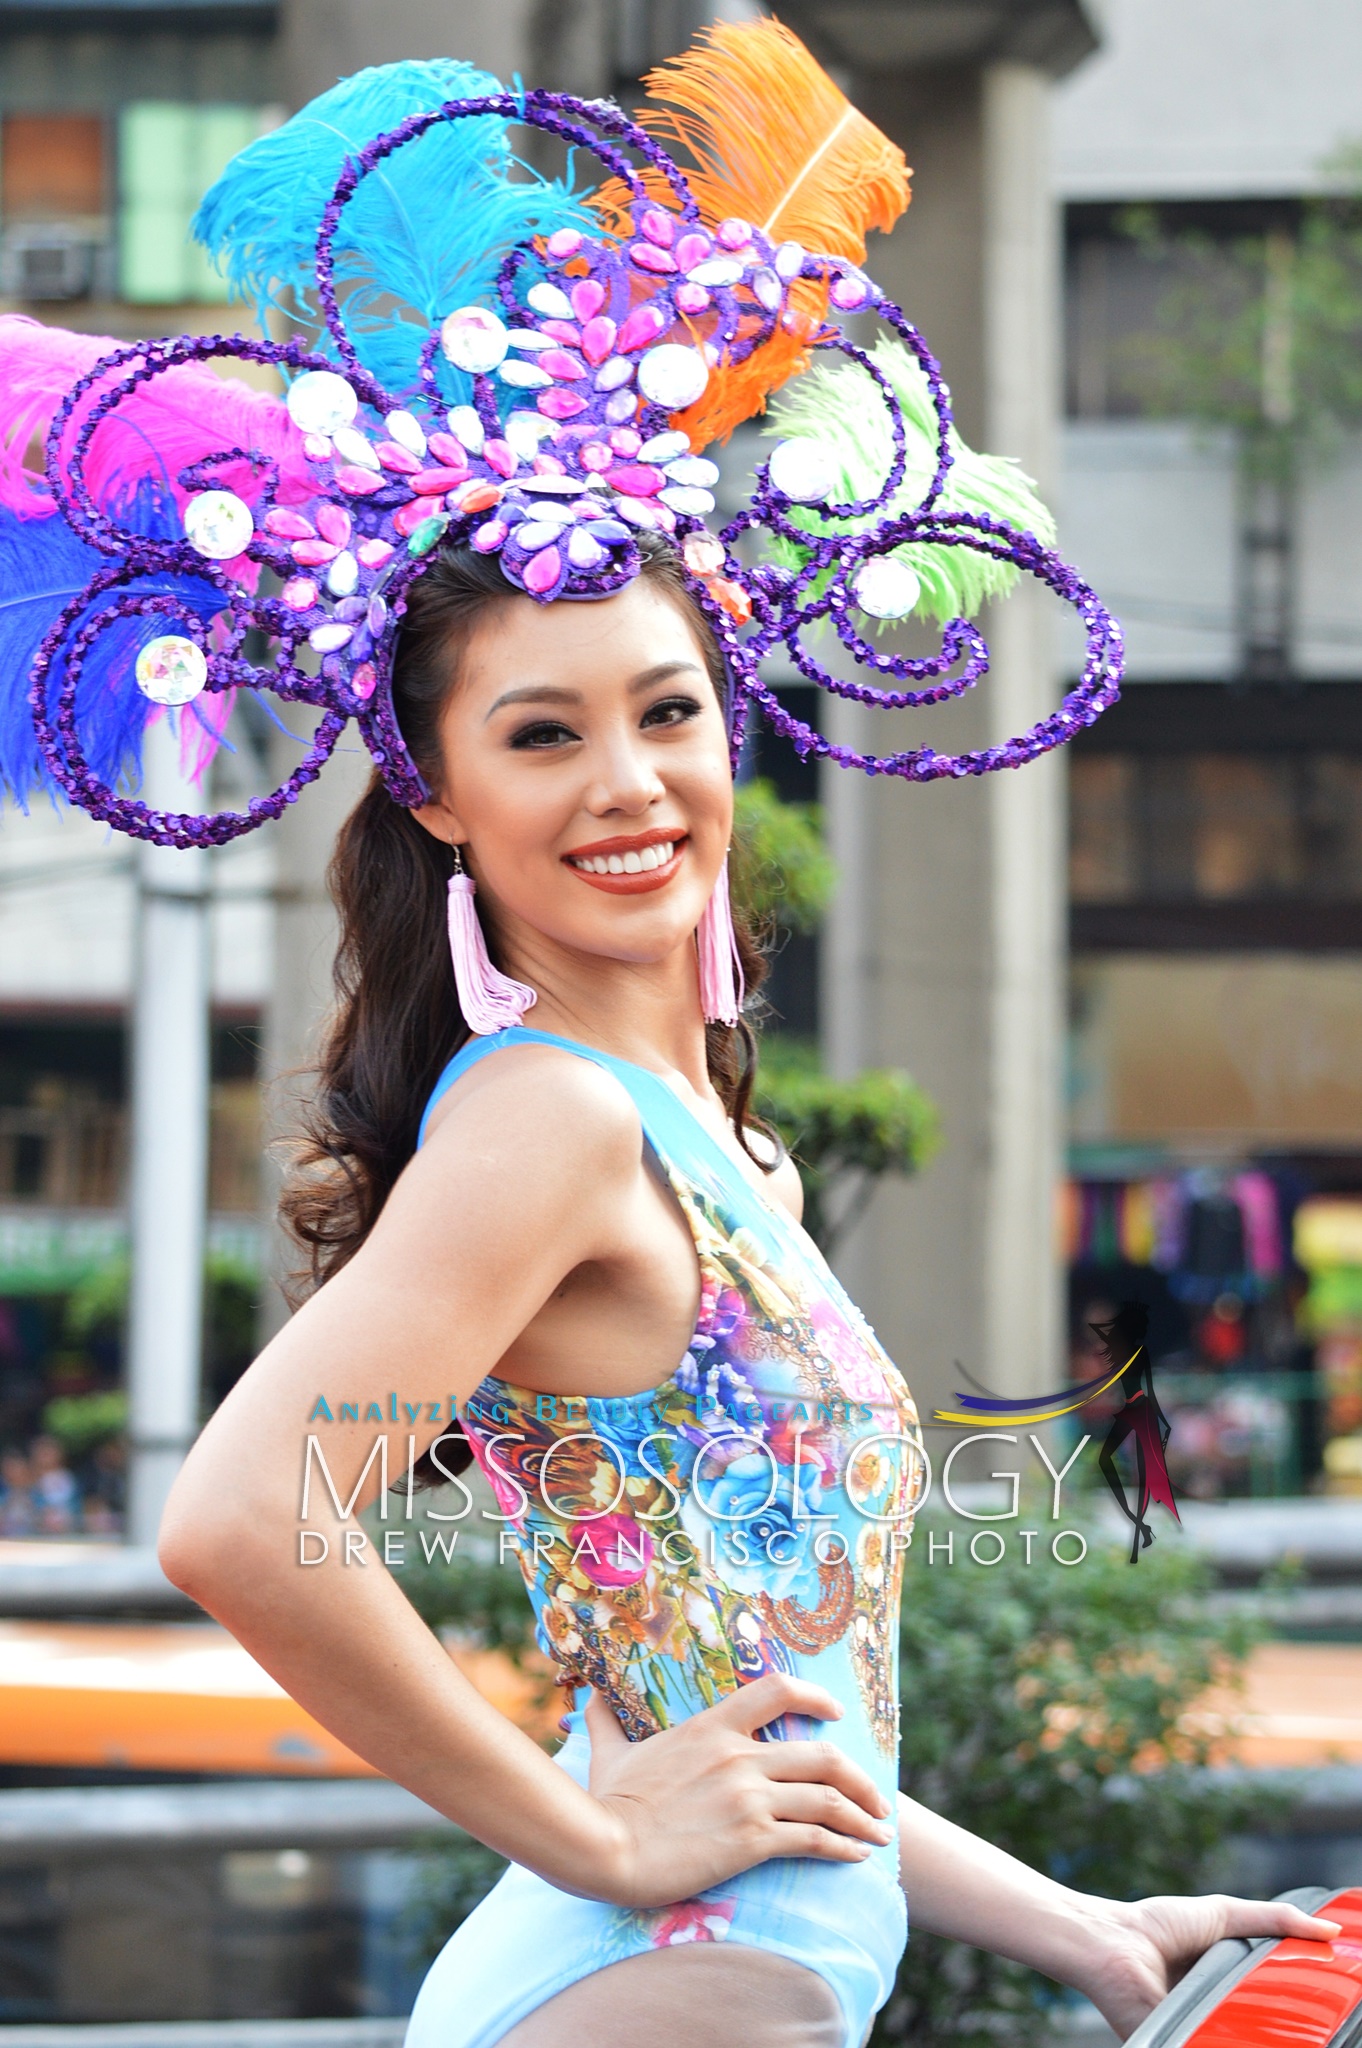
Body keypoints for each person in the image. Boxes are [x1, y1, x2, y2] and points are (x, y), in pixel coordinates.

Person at [0, 23, 1339, 2046]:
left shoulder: (711, 1143)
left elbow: (773, 1714)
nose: (626, 781)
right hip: (673, 1978)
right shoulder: (545, 1125)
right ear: (437, 790)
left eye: (664, 708)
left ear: (731, 723)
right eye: (541, 731)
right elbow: (243, 1515)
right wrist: (596, 1838)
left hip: (745, 1953)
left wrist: (1076, 1922)